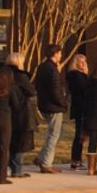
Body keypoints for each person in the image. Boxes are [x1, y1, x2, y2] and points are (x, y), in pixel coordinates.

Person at [34, 44, 68, 174]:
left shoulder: (41, 67)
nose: (61, 55)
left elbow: (37, 86)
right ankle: (46, 163)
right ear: (55, 53)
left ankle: (41, 158)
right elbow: (55, 91)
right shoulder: (53, 70)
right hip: (54, 107)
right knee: (54, 135)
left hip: (44, 104)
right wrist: (63, 104)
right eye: (60, 53)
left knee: (53, 134)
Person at [6, 53, 37, 179]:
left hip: (8, 110)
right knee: (21, 142)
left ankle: (13, 167)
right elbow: (32, 91)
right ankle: (17, 170)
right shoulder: (21, 76)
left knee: (12, 141)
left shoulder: (4, 74)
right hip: (22, 112)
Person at [0, 67, 17, 184]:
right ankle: (2, 177)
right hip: (4, 117)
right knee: (4, 148)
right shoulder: (10, 88)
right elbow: (16, 104)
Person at [66, 54, 88, 170]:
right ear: (75, 63)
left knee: (82, 135)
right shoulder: (75, 75)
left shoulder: (82, 75)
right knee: (79, 134)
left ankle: (77, 159)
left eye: (84, 62)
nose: (83, 64)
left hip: (82, 107)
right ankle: (75, 160)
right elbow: (84, 89)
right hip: (80, 107)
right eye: (80, 62)